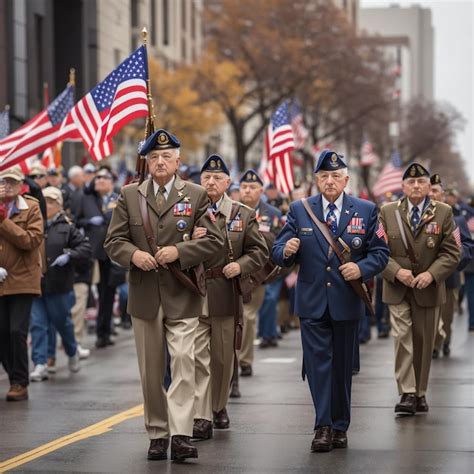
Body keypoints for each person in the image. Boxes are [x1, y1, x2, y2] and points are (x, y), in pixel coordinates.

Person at [104, 129, 224, 462]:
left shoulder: (197, 195)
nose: (160, 162)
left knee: (184, 362)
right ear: (146, 161)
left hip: (182, 294)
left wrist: (179, 251)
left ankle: (182, 434)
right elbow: (113, 241)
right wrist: (133, 255)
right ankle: (157, 432)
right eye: (154, 157)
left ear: (177, 162)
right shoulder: (129, 195)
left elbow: (213, 242)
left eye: (166, 157)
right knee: (151, 369)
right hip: (144, 296)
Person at [272, 150, 389, 452]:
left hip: (346, 300)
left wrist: (361, 268)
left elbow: (380, 253)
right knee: (318, 365)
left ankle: (340, 425)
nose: (329, 181)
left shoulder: (365, 210)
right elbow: (278, 248)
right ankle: (323, 425)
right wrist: (286, 250)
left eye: (336, 176)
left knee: (341, 367)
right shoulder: (300, 210)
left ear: (346, 179)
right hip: (311, 301)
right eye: (324, 176)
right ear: (316, 180)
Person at [192, 155, 268, 439]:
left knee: (222, 358)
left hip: (225, 291)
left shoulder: (242, 214)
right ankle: (201, 415)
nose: (211, 182)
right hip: (196, 292)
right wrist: (188, 240)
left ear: (227, 183)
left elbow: (259, 252)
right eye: (206, 178)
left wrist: (241, 266)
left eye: (217, 178)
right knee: (198, 358)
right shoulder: (189, 211)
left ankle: (218, 405)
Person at [379, 163, 460, 416]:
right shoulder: (387, 211)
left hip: (428, 287)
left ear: (428, 187)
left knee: (424, 341)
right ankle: (407, 392)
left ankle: (420, 392)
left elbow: (452, 252)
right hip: (397, 286)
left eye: (421, 182)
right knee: (402, 336)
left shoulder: (444, 212)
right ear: (402, 186)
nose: (416, 186)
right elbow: (378, 251)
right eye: (411, 182)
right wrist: (395, 272)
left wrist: (431, 274)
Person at [29, 187, 91, 381]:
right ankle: (40, 363)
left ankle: (72, 352)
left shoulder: (67, 226)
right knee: (38, 325)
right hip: (36, 283)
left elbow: (85, 248)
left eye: (51, 202)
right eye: (44, 201)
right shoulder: (33, 224)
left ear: (59, 205)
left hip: (59, 284)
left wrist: (69, 255)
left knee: (62, 322)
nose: (46, 206)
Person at [0, 166, 44, 401]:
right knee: (2, 333)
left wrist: (3, 221)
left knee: (16, 331)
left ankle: (19, 382)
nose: (6, 185)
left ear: (21, 185)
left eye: (12, 182)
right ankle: (13, 374)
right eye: (3, 181)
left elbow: (31, 240)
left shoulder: (31, 207)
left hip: (23, 278)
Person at [238, 169, 281, 376]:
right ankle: (231, 359)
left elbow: (281, 247)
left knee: (247, 317)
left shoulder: (273, 215)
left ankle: (244, 361)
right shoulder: (231, 211)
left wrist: (273, 275)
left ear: (261, 191)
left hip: (257, 276)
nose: (247, 191)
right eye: (244, 187)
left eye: (252, 187)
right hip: (232, 272)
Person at [429, 174, 473, 357]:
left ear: (443, 195)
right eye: (429, 191)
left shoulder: (456, 220)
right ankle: (433, 345)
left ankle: (444, 339)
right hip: (424, 279)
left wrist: (454, 261)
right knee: (429, 317)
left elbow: (466, 246)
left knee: (445, 317)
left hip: (448, 278)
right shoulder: (415, 218)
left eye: (436, 191)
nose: (432, 194)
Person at [77, 167, 122, 348]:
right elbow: (76, 219)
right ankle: (99, 331)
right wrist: (89, 222)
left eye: (104, 179)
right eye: (97, 179)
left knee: (109, 293)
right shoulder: (87, 199)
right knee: (96, 293)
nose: (99, 181)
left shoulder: (119, 198)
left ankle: (105, 330)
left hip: (113, 253)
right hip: (95, 253)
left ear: (111, 182)